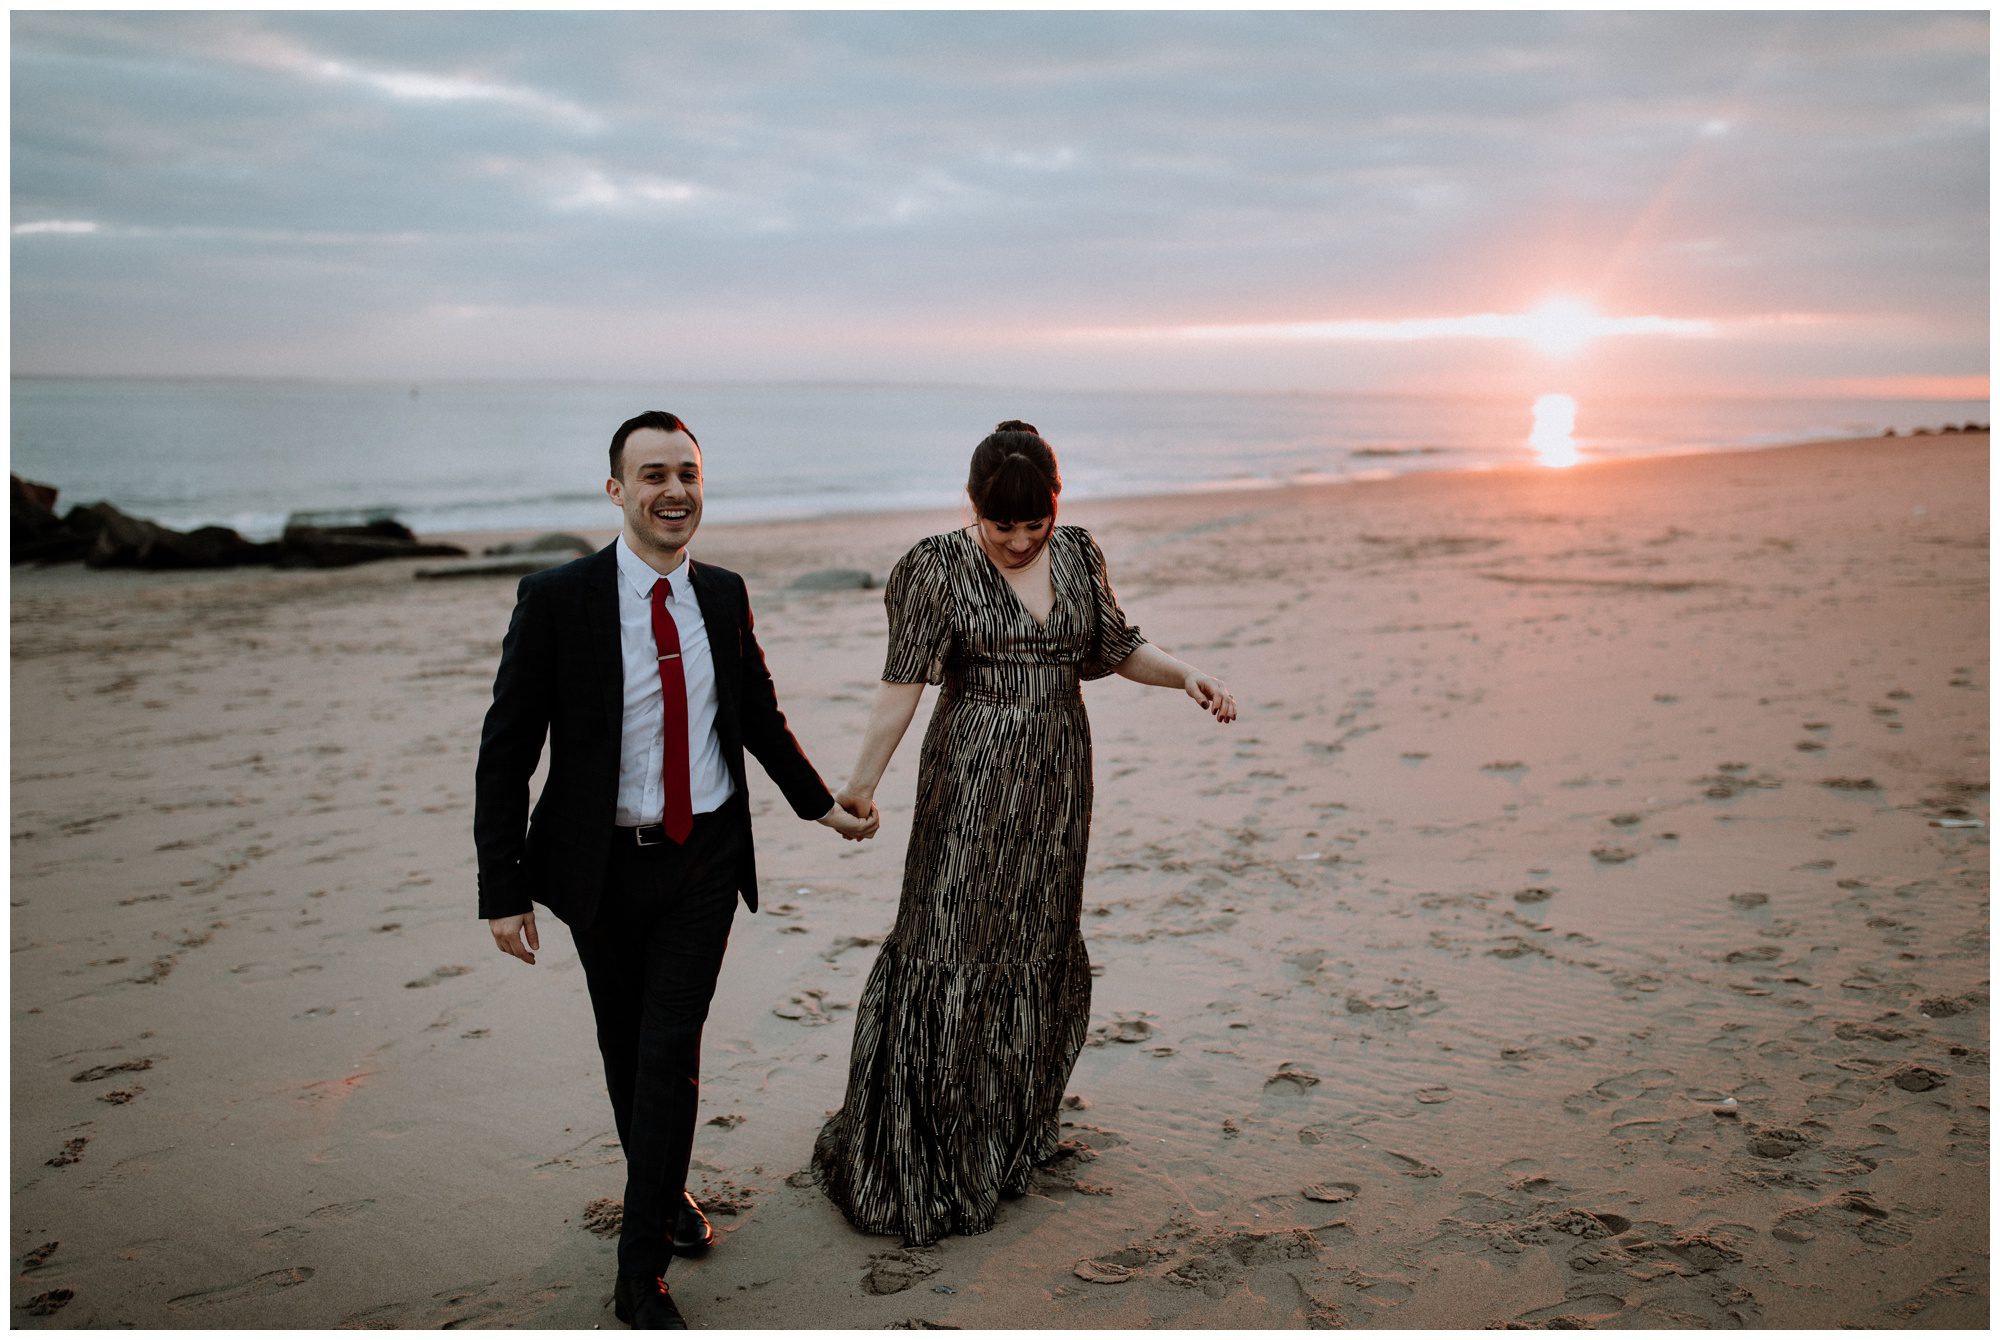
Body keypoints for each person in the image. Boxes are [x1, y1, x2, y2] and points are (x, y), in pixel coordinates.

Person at [474, 410, 879, 1329]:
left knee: (668, 1054)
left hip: (704, 865)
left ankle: (639, 1265)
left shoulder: (725, 595)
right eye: (652, 475)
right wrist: (503, 888)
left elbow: (758, 720)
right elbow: (507, 752)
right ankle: (665, 1193)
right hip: (599, 873)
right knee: (628, 1056)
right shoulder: (558, 598)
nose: (674, 491)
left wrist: (820, 806)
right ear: (616, 491)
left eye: (688, 474)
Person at [811, 420, 1236, 1246]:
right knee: (952, 942)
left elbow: (1116, 648)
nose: (1015, 541)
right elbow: (902, 686)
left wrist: (1184, 673)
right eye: (998, 525)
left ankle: (1005, 1128)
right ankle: (930, 1143)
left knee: (1037, 940)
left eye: (1030, 524)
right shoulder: (933, 567)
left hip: (1056, 780)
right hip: (968, 780)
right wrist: (858, 788)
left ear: (1054, 507)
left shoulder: (1077, 552)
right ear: (972, 508)